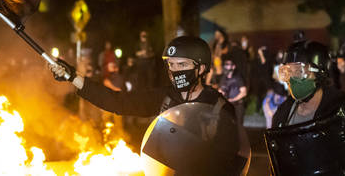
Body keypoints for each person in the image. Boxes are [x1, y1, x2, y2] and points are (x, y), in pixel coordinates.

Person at [50, 36, 251, 175]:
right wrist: (73, 77)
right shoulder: (164, 97)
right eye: (171, 65)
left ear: (202, 68)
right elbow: (116, 102)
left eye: (182, 65)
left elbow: (234, 159)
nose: (175, 71)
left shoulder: (218, 106)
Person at [265, 40, 345, 175]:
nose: (292, 79)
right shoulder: (281, 114)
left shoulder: (343, 111)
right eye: (287, 72)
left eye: (298, 71)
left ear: (319, 72)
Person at [218, 54, 247, 125]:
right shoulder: (223, 78)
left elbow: (244, 92)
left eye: (228, 65)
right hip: (227, 106)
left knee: (239, 127)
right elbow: (220, 90)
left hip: (237, 106)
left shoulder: (238, 77)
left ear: (233, 67)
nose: (226, 66)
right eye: (225, 64)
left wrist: (232, 100)